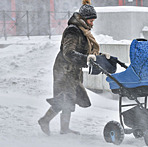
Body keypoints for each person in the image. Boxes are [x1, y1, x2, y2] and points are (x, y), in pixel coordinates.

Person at [38, 0, 101, 135]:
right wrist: (86, 59)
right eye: (90, 20)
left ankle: (64, 128)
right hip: (64, 69)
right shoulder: (73, 31)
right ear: (83, 19)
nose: (92, 23)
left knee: (70, 98)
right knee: (64, 98)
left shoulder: (82, 31)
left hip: (73, 69)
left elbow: (84, 51)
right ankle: (45, 120)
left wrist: (98, 57)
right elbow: (68, 52)